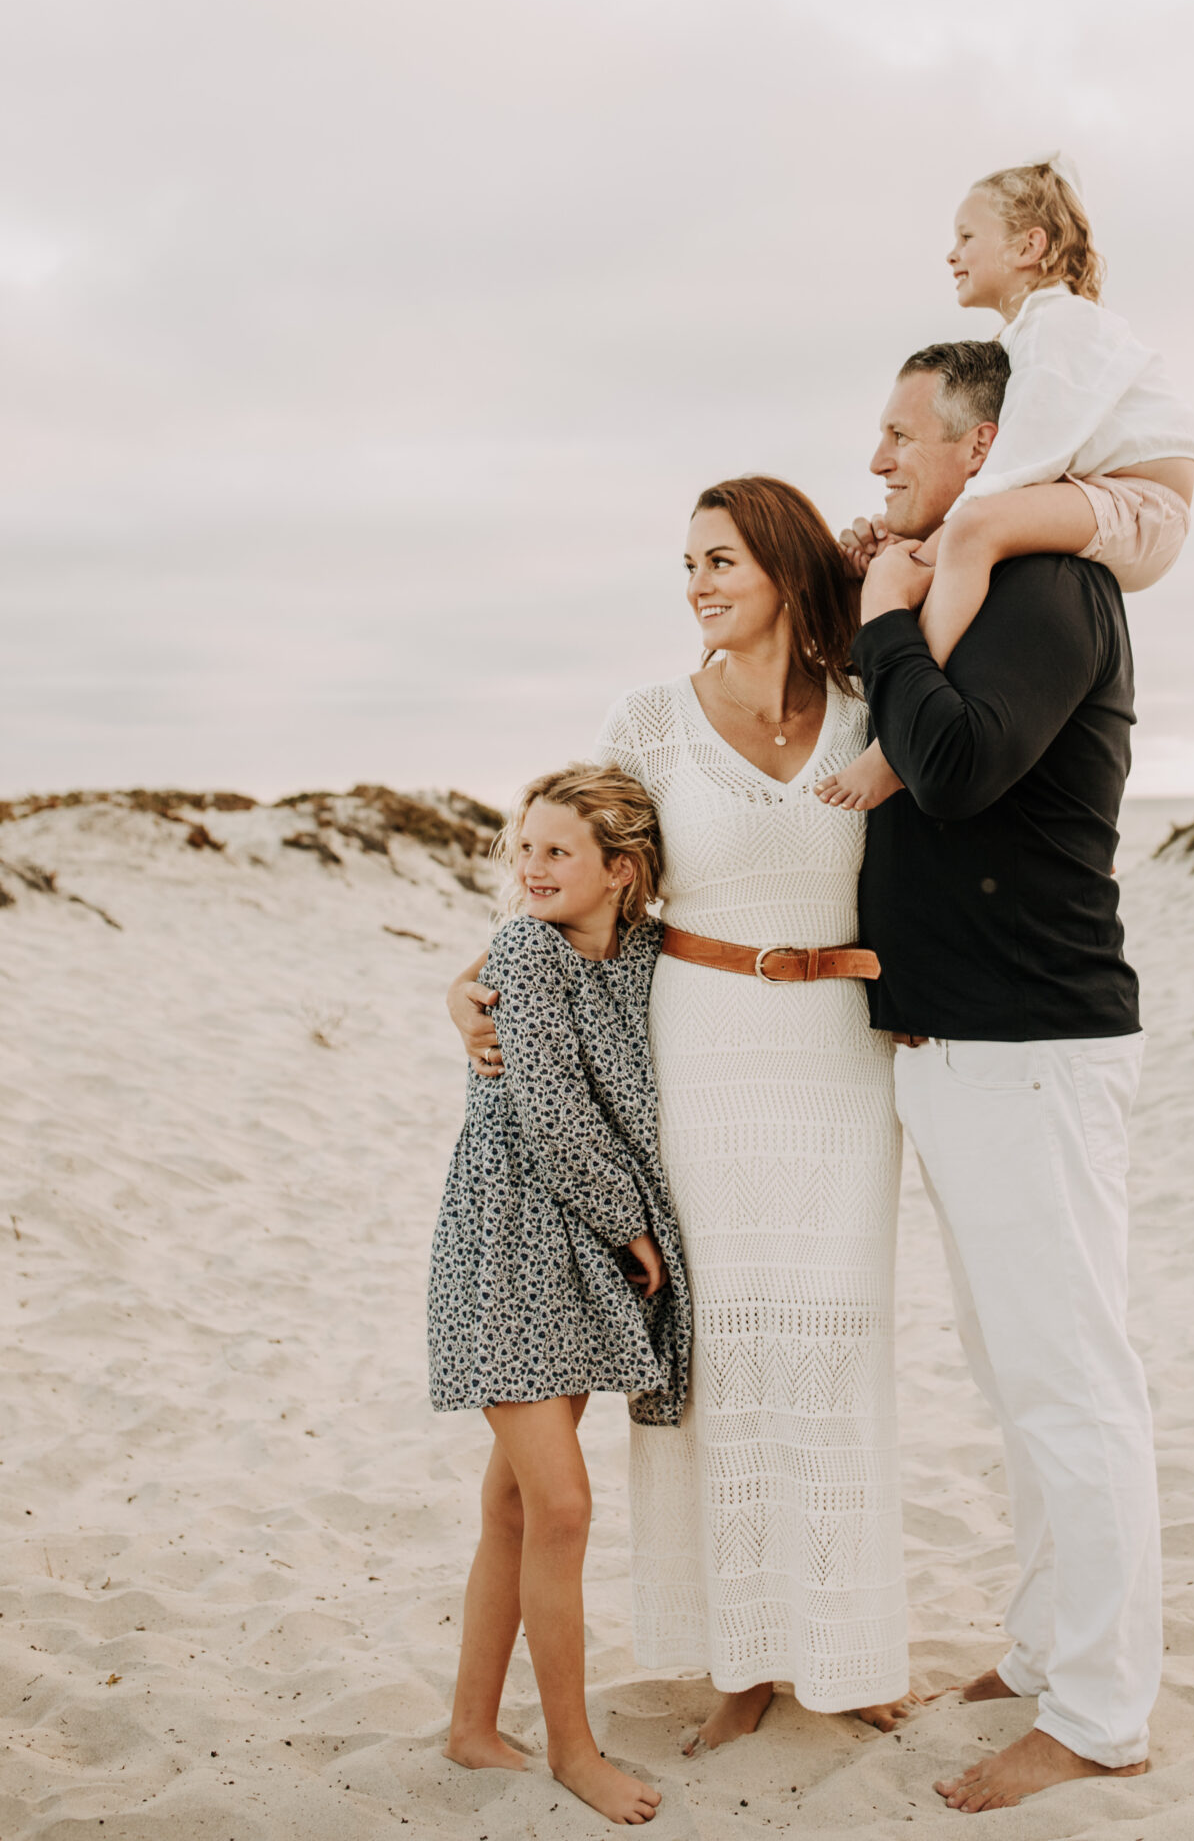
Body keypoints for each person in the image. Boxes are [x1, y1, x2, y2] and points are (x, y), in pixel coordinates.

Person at [447, 478, 914, 1753]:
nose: (700, 582)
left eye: (722, 558)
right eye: (689, 563)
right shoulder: (647, 721)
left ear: (780, 566)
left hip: (838, 1061)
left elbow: (921, 883)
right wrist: (479, 980)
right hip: (700, 1055)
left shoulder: (873, 716)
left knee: (831, 1351)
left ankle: (843, 1645)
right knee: (715, 1364)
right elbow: (586, 892)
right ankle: (741, 1662)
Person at [844, 339, 1163, 1812]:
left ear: (983, 445)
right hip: (958, 1048)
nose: (879, 458)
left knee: (1068, 1388)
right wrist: (885, 598)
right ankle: (1045, 1651)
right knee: (1013, 1377)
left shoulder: (1047, 587)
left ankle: (1099, 1716)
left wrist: (890, 628)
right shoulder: (956, 576)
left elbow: (960, 767)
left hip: (1030, 1049)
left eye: (903, 434)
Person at [429, 764, 690, 1824]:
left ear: (621, 872)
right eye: (522, 848)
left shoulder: (646, 952)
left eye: (556, 852)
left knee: (512, 1504)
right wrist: (633, 1226)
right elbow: (552, 1114)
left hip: (574, 1252)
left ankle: (470, 1726)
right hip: (509, 1240)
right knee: (565, 1505)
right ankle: (574, 1750)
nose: (530, 869)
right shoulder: (528, 952)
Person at [816, 155, 1194, 812]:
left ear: (1029, 245)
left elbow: (1024, 459)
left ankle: (891, 748)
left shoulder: (1060, 324)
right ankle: (903, 703)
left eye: (966, 236)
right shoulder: (1024, 334)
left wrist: (925, 552)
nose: (950, 254)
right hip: (1105, 493)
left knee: (974, 527)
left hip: (1141, 504)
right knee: (971, 529)